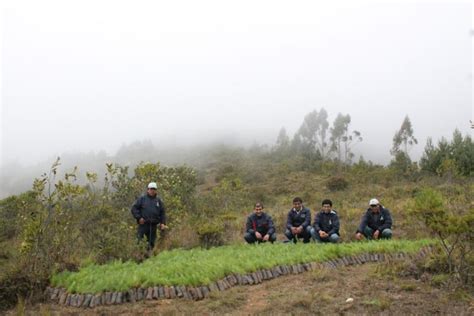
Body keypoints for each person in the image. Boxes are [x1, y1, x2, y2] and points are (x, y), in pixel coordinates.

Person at [131, 182, 167, 250]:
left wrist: (163, 223)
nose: (152, 190)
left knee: (151, 243)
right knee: (139, 241)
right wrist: (139, 218)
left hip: (153, 226)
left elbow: (162, 213)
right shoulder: (142, 199)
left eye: (154, 189)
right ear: (148, 190)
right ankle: (139, 257)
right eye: (151, 189)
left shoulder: (158, 201)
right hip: (143, 224)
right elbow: (134, 209)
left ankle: (149, 257)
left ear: (156, 190)